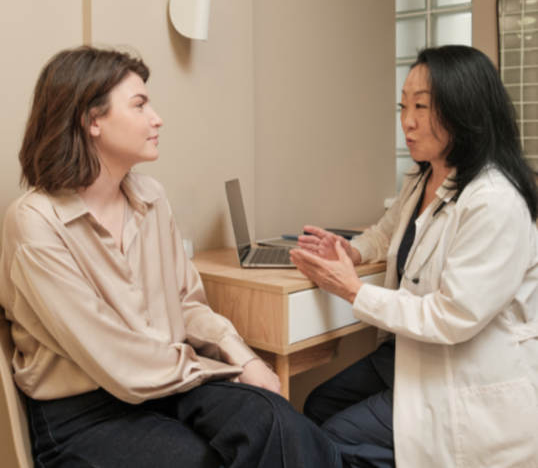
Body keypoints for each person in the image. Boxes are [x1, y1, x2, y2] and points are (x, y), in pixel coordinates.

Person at [0, 46, 342, 468]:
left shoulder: (151, 197)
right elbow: (121, 363)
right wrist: (221, 371)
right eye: (140, 105)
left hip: (169, 385)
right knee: (200, 459)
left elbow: (186, 304)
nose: (156, 118)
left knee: (277, 421)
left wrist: (245, 358)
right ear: (92, 121)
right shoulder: (35, 222)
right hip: (85, 413)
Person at [289, 45, 538, 468]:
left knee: (333, 438)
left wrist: (353, 291)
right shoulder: (422, 173)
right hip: (413, 354)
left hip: (465, 372)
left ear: (464, 109)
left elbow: (452, 316)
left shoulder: (494, 200)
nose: (407, 120)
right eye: (403, 105)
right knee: (318, 406)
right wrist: (352, 249)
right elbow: (389, 232)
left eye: (422, 106)